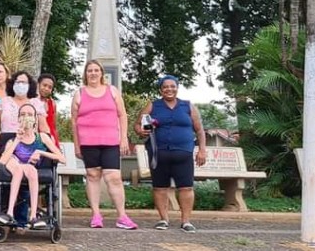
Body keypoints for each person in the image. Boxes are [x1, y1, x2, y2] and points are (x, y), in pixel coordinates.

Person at [135, 75, 207, 233]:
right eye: (165, 87)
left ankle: (186, 221)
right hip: (159, 153)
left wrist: (202, 150)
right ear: (161, 90)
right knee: (159, 188)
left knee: (186, 188)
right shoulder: (153, 106)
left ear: (177, 88)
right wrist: (141, 131)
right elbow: (138, 124)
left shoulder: (187, 106)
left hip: (183, 153)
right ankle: (163, 219)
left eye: (172, 86)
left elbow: (199, 130)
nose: (169, 89)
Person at [72, 59, 138, 230]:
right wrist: (77, 145)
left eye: (96, 70)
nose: (93, 73)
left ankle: (122, 216)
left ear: (102, 73)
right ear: (85, 74)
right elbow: (74, 122)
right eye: (90, 70)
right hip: (88, 142)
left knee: (113, 177)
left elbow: (122, 115)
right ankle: (96, 215)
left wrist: (124, 138)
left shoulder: (112, 91)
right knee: (93, 175)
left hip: (110, 141)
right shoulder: (79, 93)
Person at [0, 104, 65, 228]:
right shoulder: (12, 140)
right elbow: (2, 161)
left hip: (29, 168)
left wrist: (40, 152)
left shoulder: (42, 137)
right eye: (23, 114)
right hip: (15, 166)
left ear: (35, 119)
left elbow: (62, 158)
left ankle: (33, 216)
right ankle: (10, 212)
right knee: (19, 168)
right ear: (18, 119)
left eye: (29, 114)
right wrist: (17, 139)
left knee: (32, 170)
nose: (26, 117)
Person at [0, 71, 49, 145]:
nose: (21, 85)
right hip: (7, 142)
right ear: (13, 84)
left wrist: (48, 142)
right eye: (18, 82)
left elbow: (44, 128)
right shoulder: (4, 102)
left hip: (30, 144)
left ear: (29, 85)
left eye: (24, 82)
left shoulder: (36, 103)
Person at [35, 73, 60, 146]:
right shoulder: (31, 102)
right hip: (35, 140)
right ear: (38, 85)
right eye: (44, 85)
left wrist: (56, 144)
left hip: (51, 140)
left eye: (50, 87)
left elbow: (53, 126)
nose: (46, 89)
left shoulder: (52, 103)